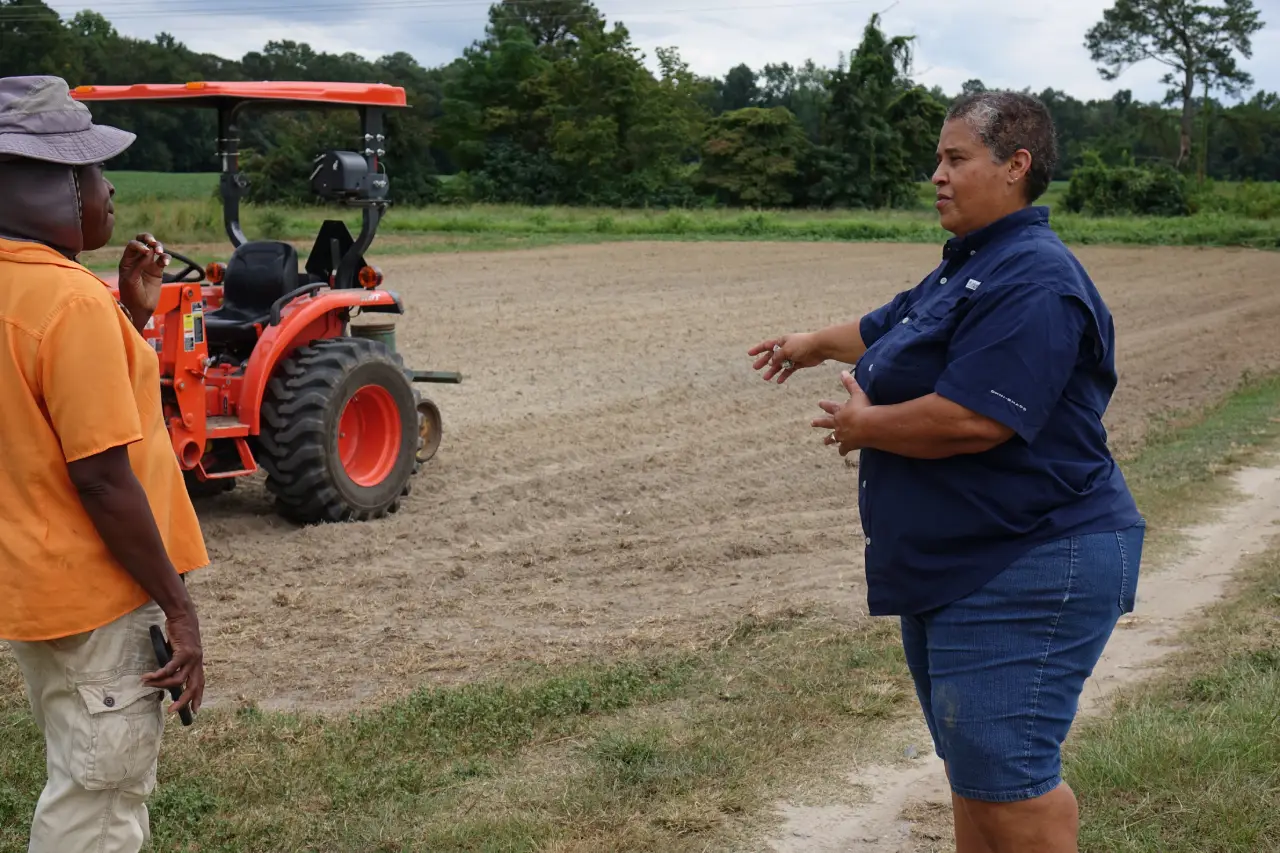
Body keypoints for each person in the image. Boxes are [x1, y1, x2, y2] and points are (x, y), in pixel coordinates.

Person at [749, 89, 1145, 853]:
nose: (937, 173)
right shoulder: (973, 265)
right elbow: (886, 329)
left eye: (955, 158)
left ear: (1015, 166)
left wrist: (867, 427)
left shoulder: (1034, 279)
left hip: (1028, 556)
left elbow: (979, 417)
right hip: (965, 560)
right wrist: (811, 343)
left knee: (1013, 781)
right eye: (939, 157)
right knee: (979, 776)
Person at [0, 75, 209, 853]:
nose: (107, 185)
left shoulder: (39, 293)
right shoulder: (69, 303)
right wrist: (177, 609)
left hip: (35, 587)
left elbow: (32, 412)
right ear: (46, 182)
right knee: (99, 800)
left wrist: (129, 312)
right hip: (98, 593)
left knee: (79, 766)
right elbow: (99, 474)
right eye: (90, 171)